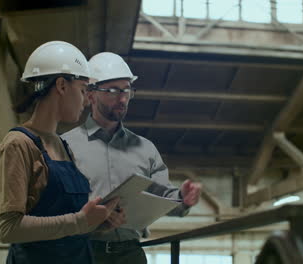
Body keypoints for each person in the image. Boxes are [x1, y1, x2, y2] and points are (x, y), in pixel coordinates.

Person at [61, 52, 202, 264]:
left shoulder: (145, 149)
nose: (123, 98)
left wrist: (182, 198)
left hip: (131, 255)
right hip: (82, 252)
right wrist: (93, 217)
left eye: (127, 90)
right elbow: (53, 204)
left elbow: (163, 197)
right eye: (113, 91)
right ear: (90, 95)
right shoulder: (65, 145)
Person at [0, 41, 120, 264]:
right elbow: (7, 228)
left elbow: (65, 227)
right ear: (61, 85)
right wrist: (80, 221)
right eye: (82, 90)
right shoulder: (18, 145)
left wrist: (98, 223)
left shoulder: (64, 146)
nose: (86, 102)